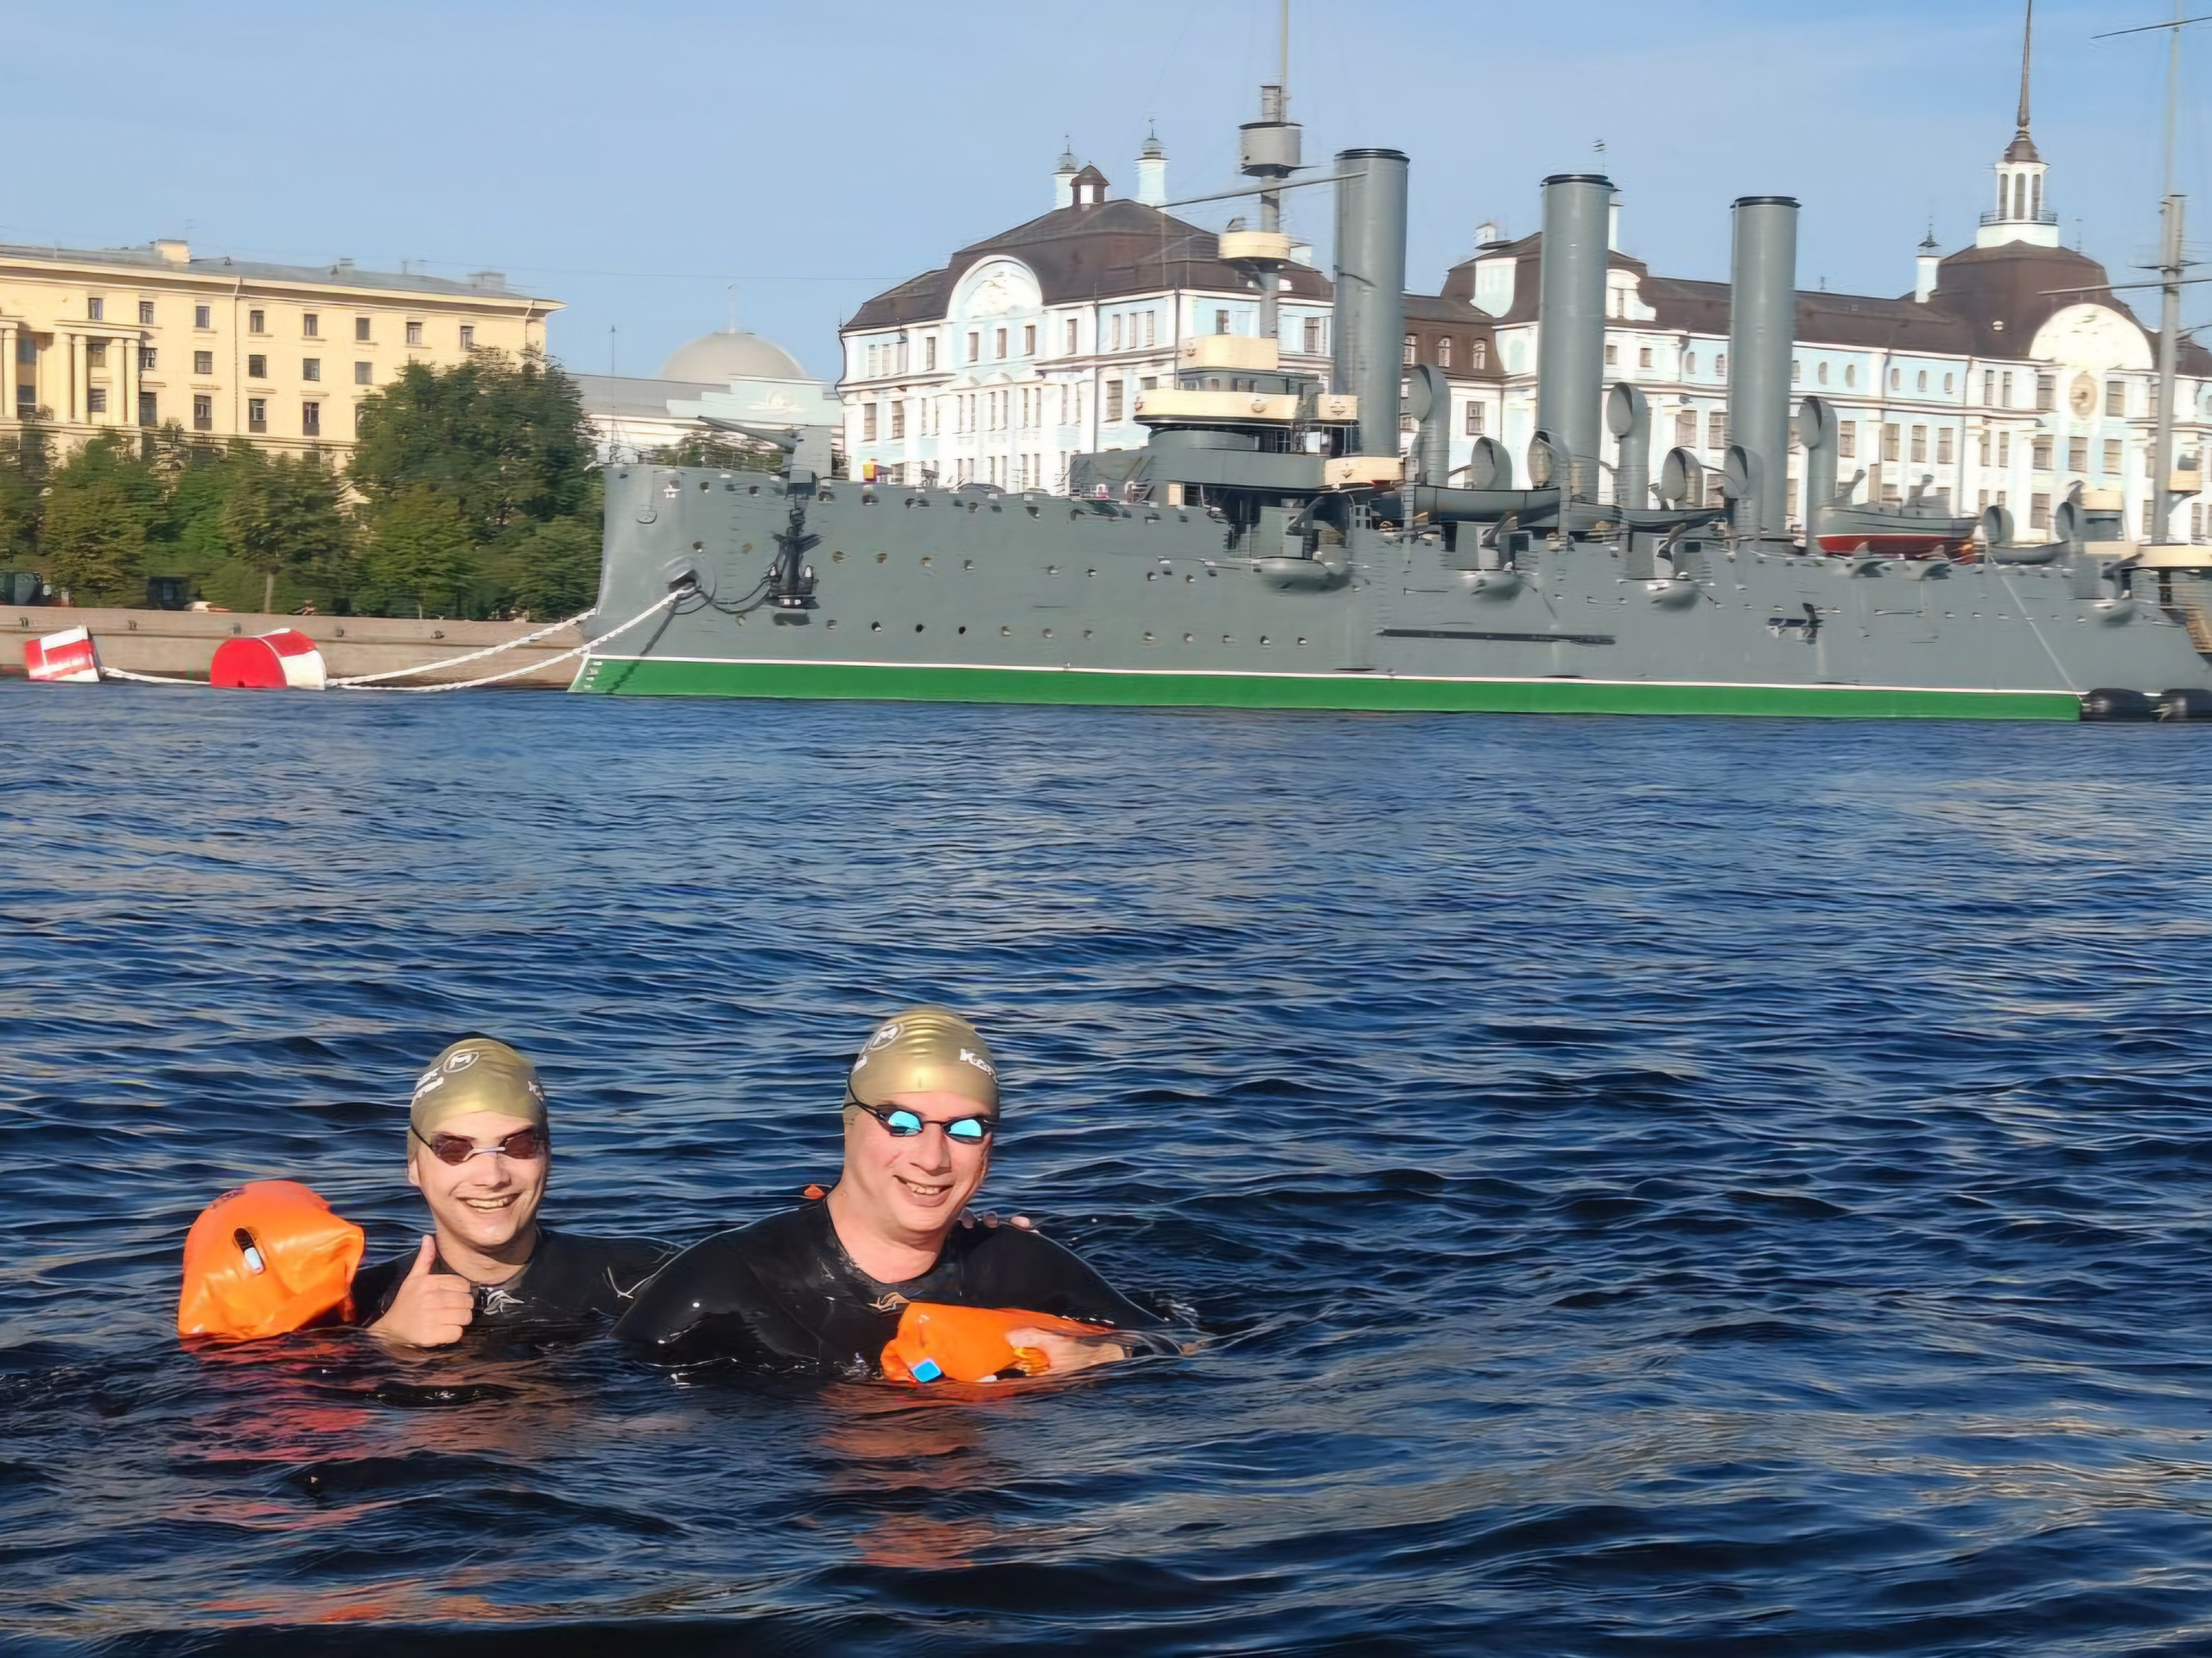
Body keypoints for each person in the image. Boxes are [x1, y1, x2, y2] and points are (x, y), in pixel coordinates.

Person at [614, 1007, 1173, 1378]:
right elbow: (609, 1410)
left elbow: (1190, 1349)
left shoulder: (1019, 1267)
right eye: (901, 1121)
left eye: (967, 1127)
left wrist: (1092, 1353)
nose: (933, 1157)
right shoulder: (726, 1279)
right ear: (848, 1123)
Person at [352, 1035, 672, 1347]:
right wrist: (384, 1340)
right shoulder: (357, 1304)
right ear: (414, 1165)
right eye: (453, 1149)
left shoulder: (647, 1275)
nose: (491, 1177)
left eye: (519, 1146)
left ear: (547, 1154)